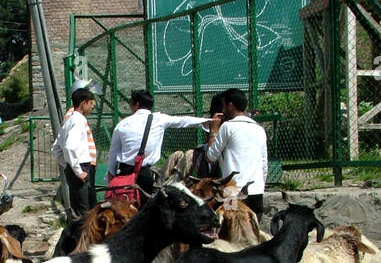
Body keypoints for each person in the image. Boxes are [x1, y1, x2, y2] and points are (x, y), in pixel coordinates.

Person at [106, 89, 209, 193]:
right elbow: (183, 121)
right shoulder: (159, 119)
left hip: (124, 174)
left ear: (136, 104)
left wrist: (111, 175)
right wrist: (207, 121)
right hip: (146, 175)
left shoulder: (122, 124)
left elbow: (113, 153)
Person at [205, 88, 270, 217]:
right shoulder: (259, 129)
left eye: (224, 106)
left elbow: (210, 157)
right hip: (256, 190)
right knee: (254, 230)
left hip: (232, 191)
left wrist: (213, 131)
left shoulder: (227, 127)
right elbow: (264, 164)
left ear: (230, 105)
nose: (222, 111)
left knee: (231, 226)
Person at [52, 80, 98, 217]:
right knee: (85, 213)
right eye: (91, 104)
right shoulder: (77, 121)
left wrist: (67, 166)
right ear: (83, 103)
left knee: (83, 209)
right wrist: (78, 171)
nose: (92, 107)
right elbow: (69, 147)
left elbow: (56, 149)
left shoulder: (71, 120)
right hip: (81, 168)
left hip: (77, 168)